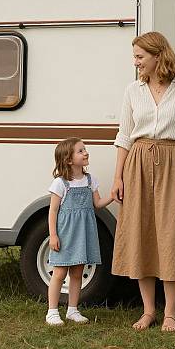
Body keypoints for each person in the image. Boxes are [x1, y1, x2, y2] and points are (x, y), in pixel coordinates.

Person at [111, 31, 175, 332]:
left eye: (140, 57)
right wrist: (118, 177)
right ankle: (149, 310)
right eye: (134, 57)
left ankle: (171, 312)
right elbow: (124, 136)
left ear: (157, 56)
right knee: (141, 233)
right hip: (137, 163)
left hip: (172, 162)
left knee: (170, 233)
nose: (135, 62)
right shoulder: (132, 90)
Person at [46, 137, 114, 326]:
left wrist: (113, 196)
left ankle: (72, 310)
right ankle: (52, 311)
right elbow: (53, 211)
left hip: (84, 233)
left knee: (77, 273)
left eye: (85, 149)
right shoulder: (60, 183)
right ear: (68, 159)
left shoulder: (90, 180)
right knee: (59, 273)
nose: (86, 153)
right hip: (66, 234)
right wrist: (53, 235)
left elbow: (97, 204)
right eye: (80, 151)